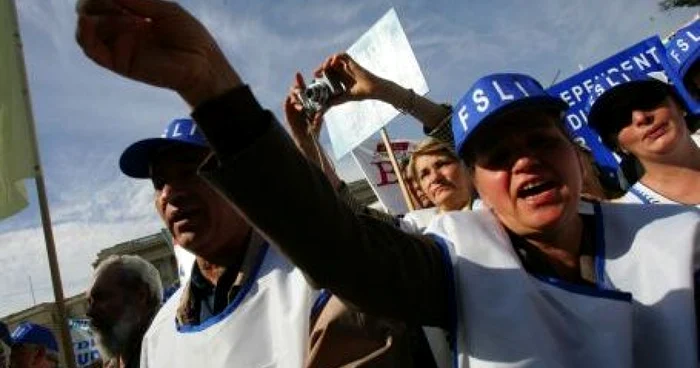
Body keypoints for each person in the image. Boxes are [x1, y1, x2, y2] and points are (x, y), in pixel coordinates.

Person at [75, 1, 700, 367]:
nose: (524, 165)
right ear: (477, 177)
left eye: (540, 143)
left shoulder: (680, 238)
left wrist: (388, 93)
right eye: (499, 155)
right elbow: (339, 243)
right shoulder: (455, 257)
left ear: (574, 150)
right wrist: (209, 83)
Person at [113, 116, 317, 367]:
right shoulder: (158, 337)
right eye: (159, 181)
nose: (169, 193)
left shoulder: (309, 280)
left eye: (189, 171)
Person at [587, 71, 700, 206]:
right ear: (615, 144)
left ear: (678, 103)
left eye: (646, 100)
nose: (640, 117)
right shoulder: (630, 219)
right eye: (619, 118)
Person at [87, 255, 163, 368]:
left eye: (102, 297)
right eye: (90, 302)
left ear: (141, 295)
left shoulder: (171, 353)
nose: (90, 312)